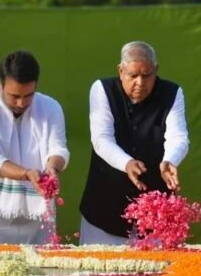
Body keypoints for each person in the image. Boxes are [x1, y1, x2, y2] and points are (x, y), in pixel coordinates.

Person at [78, 41, 189, 245]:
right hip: (104, 206)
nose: (140, 82)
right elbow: (101, 138)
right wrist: (126, 163)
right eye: (133, 75)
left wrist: (170, 160)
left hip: (156, 210)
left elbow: (178, 136)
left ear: (156, 70)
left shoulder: (172, 92)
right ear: (120, 71)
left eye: (147, 75)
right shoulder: (102, 89)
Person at [0, 51, 69, 245]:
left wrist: (52, 168)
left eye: (28, 95)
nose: (21, 103)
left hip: (38, 215)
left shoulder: (51, 107)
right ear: (0, 83)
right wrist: (28, 174)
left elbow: (58, 149)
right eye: (14, 96)